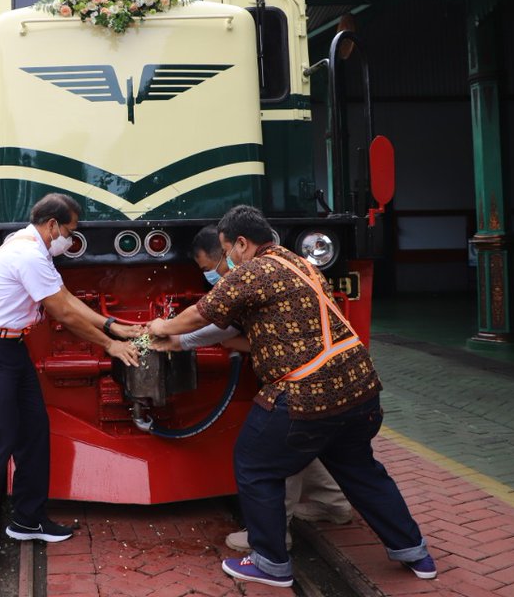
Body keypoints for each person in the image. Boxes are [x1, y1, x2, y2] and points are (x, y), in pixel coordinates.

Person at [143, 206, 435, 588]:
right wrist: (185, 341)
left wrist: (163, 327)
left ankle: (270, 563)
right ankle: (415, 552)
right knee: (362, 471)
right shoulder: (300, 264)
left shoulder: (252, 270)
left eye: (228, 249)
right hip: (361, 392)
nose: (227, 259)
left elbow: (204, 313)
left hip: (307, 395)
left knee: (254, 463)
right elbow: (260, 331)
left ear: (242, 244)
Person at [0, 193, 143, 557]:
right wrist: (110, 345)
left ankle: (27, 518)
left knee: (34, 431)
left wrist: (112, 325)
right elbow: (64, 313)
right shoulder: (27, 253)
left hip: (10, 347)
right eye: (70, 231)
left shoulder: (33, 248)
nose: (71, 240)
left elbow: (66, 297)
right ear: (53, 225)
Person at [158, 225, 353, 554]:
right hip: (332, 372)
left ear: (231, 250)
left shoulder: (247, 278)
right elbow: (235, 332)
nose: (209, 276)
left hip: (298, 379)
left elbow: (216, 321)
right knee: (305, 439)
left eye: (208, 268)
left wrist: (174, 337)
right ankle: (333, 502)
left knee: (272, 450)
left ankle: (272, 534)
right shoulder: (288, 264)